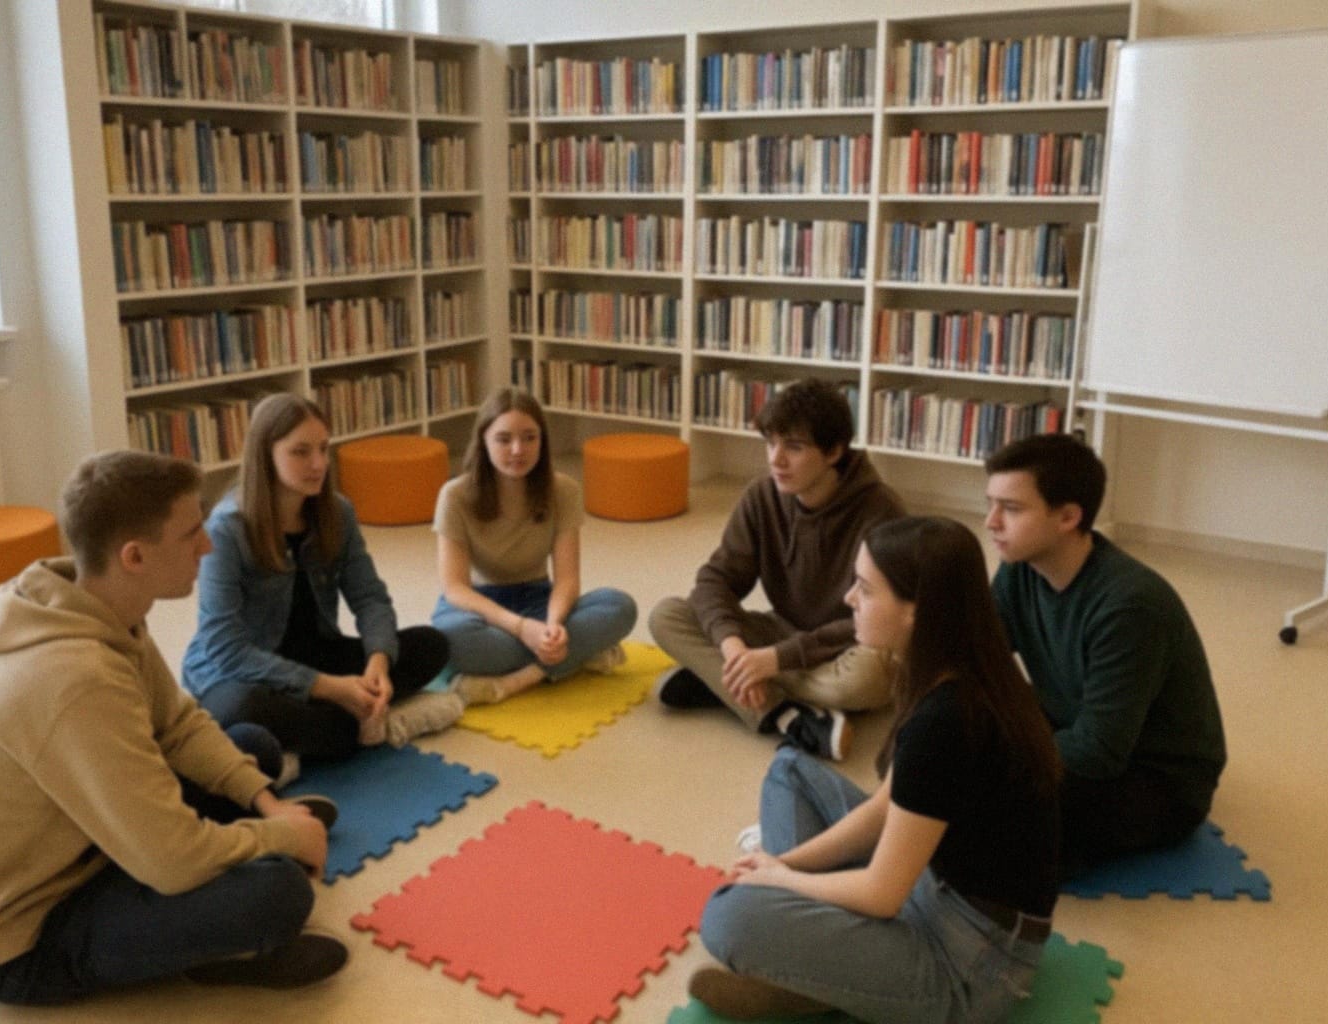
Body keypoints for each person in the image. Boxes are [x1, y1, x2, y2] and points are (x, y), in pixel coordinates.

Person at [0, 451, 346, 1005]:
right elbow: (172, 860)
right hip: (27, 935)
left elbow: (176, 724)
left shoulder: (97, 608)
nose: (208, 545)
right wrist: (282, 837)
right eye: (191, 533)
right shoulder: (77, 678)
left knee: (251, 750)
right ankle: (220, 950)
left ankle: (245, 843)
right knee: (279, 894)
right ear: (135, 556)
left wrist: (265, 804)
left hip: (84, 842)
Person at [692, 516, 1062, 1023]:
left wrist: (782, 883)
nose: (849, 600)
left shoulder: (947, 718)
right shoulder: (951, 669)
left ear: (917, 611)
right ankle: (831, 972)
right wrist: (787, 865)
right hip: (930, 885)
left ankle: (820, 981)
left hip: (971, 964)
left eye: (865, 589)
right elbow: (885, 808)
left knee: (726, 914)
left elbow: (881, 893)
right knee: (790, 770)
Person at [984, 433, 1227, 878]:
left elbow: (1099, 752)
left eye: (1011, 509)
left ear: (1068, 517)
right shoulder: (1019, 567)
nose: (991, 522)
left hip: (1154, 777)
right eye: (991, 504)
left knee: (988, 822)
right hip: (1071, 724)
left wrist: (996, 762)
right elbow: (977, 658)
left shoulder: (1129, 606)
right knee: (932, 745)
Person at [183, 393, 462, 760]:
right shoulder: (226, 529)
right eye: (300, 452)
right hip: (242, 672)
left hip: (315, 655)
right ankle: (359, 724)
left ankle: (335, 728)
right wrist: (328, 688)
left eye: (323, 449)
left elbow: (370, 598)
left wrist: (377, 663)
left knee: (431, 645)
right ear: (265, 455)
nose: (318, 464)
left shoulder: (338, 512)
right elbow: (225, 649)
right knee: (243, 708)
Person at [649, 378, 905, 761]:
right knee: (666, 616)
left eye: (794, 447)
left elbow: (877, 619)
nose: (776, 459)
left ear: (834, 451)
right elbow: (715, 580)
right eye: (771, 443)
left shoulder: (881, 511)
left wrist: (771, 661)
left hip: (847, 647)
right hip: (781, 631)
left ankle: (721, 680)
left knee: (868, 679)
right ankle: (785, 713)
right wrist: (733, 647)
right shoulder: (762, 495)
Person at [433, 388, 637, 704]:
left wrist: (553, 626)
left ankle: (520, 679)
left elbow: (568, 579)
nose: (518, 449)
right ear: (484, 441)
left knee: (620, 607)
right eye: (504, 439)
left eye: (530, 438)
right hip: (479, 606)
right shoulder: (455, 495)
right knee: (449, 640)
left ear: (542, 440)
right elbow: (456, 589)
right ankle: (575, 658)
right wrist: (522, 628)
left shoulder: (564, 490)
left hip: (539, 600)